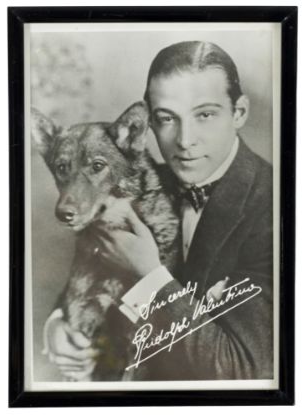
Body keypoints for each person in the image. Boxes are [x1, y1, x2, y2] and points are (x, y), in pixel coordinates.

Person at [43, 41, 273, 381]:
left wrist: (147, 275)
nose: (185, 140)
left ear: (238, 112)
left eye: (205, 114)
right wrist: (60, 325)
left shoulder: (277, 207)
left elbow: (240, 371)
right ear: (146, 123)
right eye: (167, 119)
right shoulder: (137, 182)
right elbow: (89, 273)